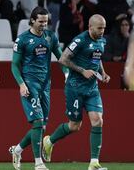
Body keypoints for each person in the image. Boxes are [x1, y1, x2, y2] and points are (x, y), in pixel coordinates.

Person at [42, 14, 111, 170]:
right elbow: (63, 59)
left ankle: (94, 163)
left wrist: (103, 73)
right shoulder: (80, 40)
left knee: (98, 120)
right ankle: (49, 141)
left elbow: (97, 57)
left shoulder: (102, 40)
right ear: (90, 27)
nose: (102, 31)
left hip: (92, 88)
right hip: (75, 88)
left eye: (104, 28)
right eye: (99, 28)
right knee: (75, 126)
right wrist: (82, 71)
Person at [9, 6, 68, 170]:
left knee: (40, 127)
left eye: (46, 22)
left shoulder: (50, 37)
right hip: (29, 84)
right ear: (33, 20)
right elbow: (14, 65)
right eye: (41, 21)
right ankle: (38, 163)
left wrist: (67, 74)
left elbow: (62, 58)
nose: (44, 25)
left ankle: (17, 149)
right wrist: (21, 84)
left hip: (45, 85)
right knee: (37, 121)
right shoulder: (22, 40)